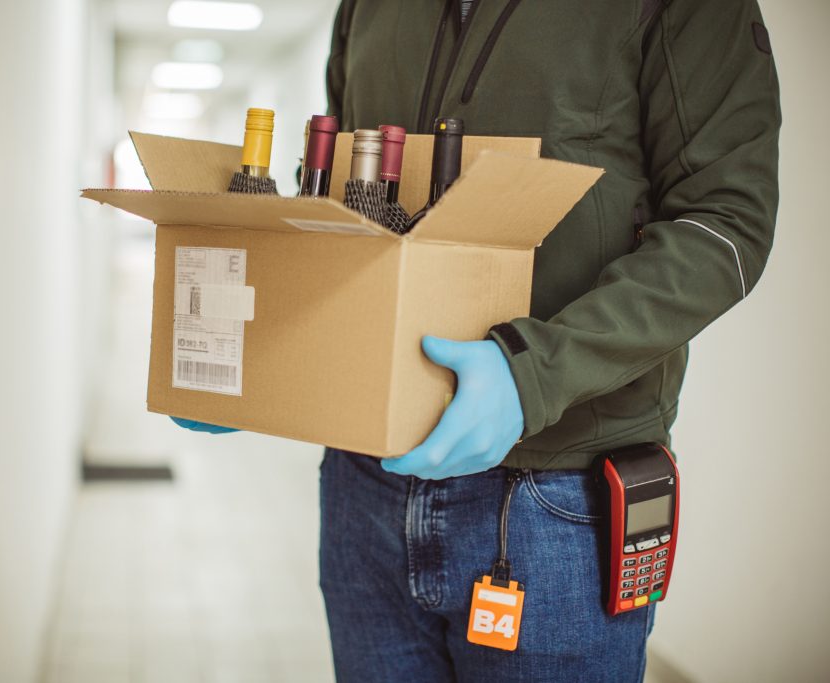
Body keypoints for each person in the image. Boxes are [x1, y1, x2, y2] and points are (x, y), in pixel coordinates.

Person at [173, 0, 781, 680]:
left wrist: (533, 375)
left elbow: (726, 222)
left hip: (552, 501)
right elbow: (346, 203)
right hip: (362, 483)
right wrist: (261, 345)